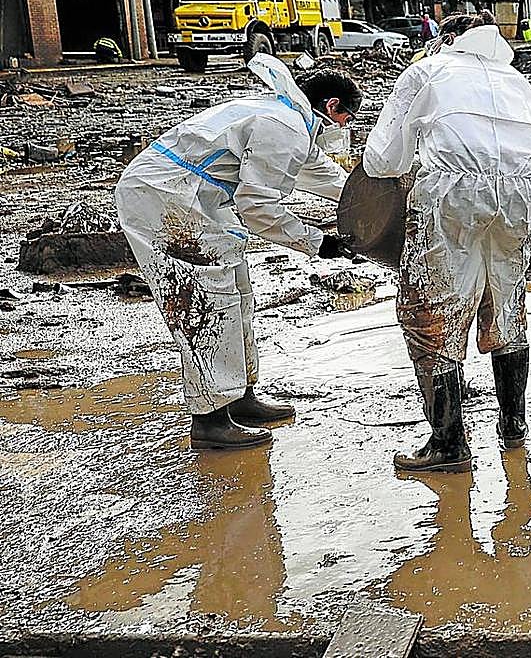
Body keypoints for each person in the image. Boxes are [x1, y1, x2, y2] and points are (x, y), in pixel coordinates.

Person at [115, 54, 360, 450]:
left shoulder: (292, 121)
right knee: (207, 306)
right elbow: (258, 206)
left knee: (239, 296)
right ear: (333, 107)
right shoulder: (285, 127)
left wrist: (369, 202)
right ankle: (210, 419)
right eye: (348, 117)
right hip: (166, 199)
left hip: (193, 200)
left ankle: (239, 396)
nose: (346, 126)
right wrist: (320, 243)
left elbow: (330, 179)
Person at [363, 10, 531, 474]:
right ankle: (513, 428)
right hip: (524, 192)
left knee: (430, 312)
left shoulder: (427, 70)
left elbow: (381, 161)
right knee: (506, 302)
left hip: (453, 192)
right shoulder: (513, 77)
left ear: (444, 40)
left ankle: (447, 443)